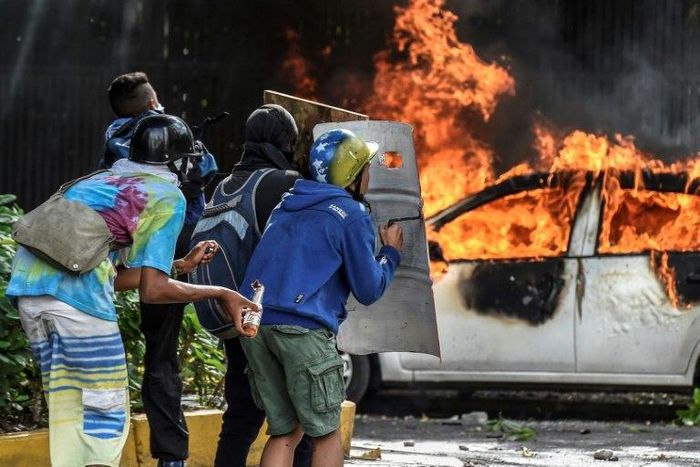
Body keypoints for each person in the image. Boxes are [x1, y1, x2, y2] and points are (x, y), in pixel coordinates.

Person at [7, 114, 257, 467]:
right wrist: (221, 293)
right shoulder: (167, 195)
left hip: (30, 294)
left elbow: (108, 273)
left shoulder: (103, 180)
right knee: (104, 415)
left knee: (70, 411)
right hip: (77, 307)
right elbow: (152, 292)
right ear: (180, 162)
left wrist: (179, 266)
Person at [239, 128, 404, 467]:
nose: (370, 174)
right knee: (326, 433)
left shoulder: (287, 205)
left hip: (257, 326)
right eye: (366, 168)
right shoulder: (351, 214)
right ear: (353, 176)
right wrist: (391, 252)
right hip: (302, 331)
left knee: (285, 430)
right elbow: (368, 288)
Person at [102, 72, 217, 467]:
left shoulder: (114, 141)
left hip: (119, 258)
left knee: (150, 355)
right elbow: (207, 172)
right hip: (168, 248)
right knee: (162, 358)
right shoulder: (166, 138)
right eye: (156, 101)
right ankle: (172, 457)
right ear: (151, 105)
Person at [202, 104, 314, 467]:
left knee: (240, 418)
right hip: (272, 317)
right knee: (301, 421)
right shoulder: (282, 183)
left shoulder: (223, 185)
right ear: (286, 141)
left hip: (233, 314)